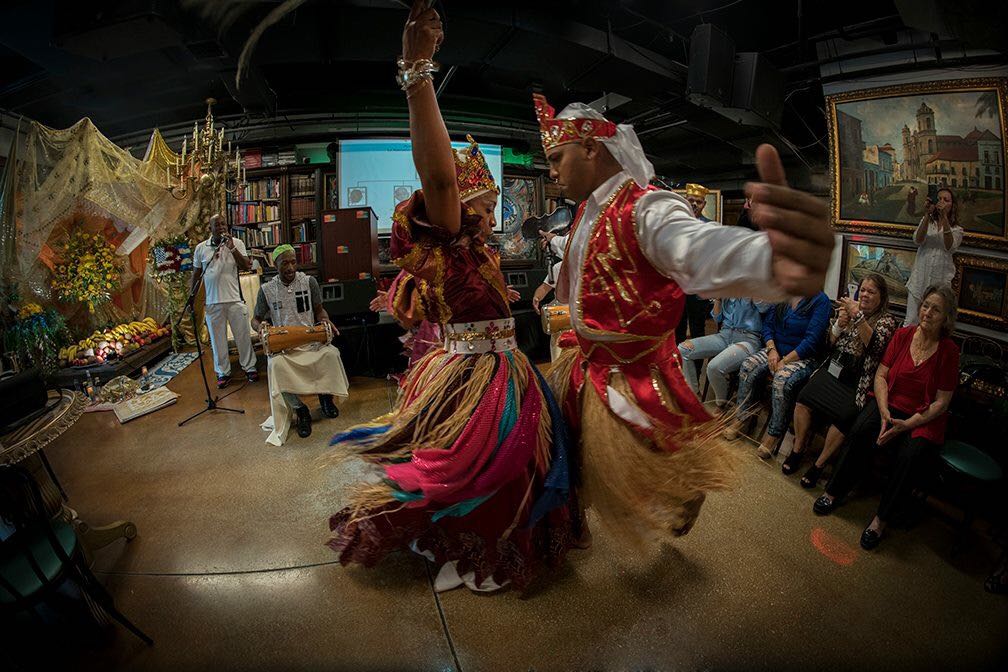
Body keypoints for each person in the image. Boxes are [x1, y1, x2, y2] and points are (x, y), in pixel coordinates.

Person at [326, 0, 575, 594]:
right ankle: (462, 541)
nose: (490, 216)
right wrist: (417, 75)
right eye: (482, 207)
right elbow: (438, 178)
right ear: (456, 210)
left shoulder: (481, 249)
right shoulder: (451, 237)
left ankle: (472, 537)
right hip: (470, 376)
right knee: (482, 465)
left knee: (512, 468)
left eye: (491, 207)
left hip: (505, 369)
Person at [533, 91, 835, 546]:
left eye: (557, 158)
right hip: (586, 363)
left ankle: (681, 485)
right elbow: (577, 259)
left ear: (592, 148)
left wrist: (770, 260)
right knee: (576, 454)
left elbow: (696, 249)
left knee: (644, 457)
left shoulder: (648, 209)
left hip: (631, 375)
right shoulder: (586, 213)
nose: (552, 173)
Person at [813, 286, 960, 550]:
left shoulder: (949, 351)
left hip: (922, 416)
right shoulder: (903, 335)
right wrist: (884, 412)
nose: (927, 312)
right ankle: (833, 491)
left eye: (935, 309)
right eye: (925, 305)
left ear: (946, 316)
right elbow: (881, 375)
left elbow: (942, 402)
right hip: (888, 403)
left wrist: (908, 424)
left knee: (910, 455)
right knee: (860, 430)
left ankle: (881, 519)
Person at [784, 274, 898, 486]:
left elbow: (875, 349)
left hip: (856, 381)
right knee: (803, 397)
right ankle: (798, 449)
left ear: (881, 297)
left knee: (845, 417)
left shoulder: (887, 321)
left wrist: (858, 318)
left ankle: (819, 464)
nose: (864, 294)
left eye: (871, 291)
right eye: (863, 289)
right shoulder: (850, 311)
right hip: (833, 370)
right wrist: (838, 325)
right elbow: (828, 343)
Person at [251, 245, 348, 444]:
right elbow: (256, 318)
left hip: (310, 340)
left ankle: (325, 398)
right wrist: (260, 327)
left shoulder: (309, 282)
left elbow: (319, 311)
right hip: (285, 346)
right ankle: (300, 410)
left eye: (293, 262)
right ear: (274, 264)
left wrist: (325, 320)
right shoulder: (267, 290)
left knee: (331, 354)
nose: (290, 267)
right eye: (284, 263)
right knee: (276, 366)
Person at [723, 292, 831, 458]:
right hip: (776, 350)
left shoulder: (820, 300)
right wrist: (772, 349)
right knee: (748, 366)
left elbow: (812, 340)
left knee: (781, 379)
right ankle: (742, 417)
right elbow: (768, 325)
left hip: (802, 356)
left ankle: (774, 433)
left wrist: (785, 360)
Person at [191, 213, 258, 388]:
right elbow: (196, 275)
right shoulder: (201, 248)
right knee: (217, 340)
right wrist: (191, 296)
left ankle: (249, 368)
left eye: (223, 224)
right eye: (217, 225)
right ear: (210, 228)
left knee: (242, 336)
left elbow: (246, 266)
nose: (221, 227)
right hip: (213, 302)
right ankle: (223, 372)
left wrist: (232, 248)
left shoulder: (237, 243)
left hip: (235, 299)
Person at [678, 297, 770, 409]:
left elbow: (765, 308)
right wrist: (718, 299)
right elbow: (717, 318)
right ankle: (694, 396)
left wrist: (748, 286)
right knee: (683, 349)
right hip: (724, 335)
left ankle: (721, 405)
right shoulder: (728, 290)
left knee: (714, 367)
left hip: (748, 339)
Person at [905, 187, 963, 326]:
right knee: (911, 321)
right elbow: (918, 240)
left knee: (933, 324)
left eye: (946, 200)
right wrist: (927, 214)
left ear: (952, 205)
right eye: (939, 199)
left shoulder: (957, 229)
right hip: (919, 279)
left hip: (940, 282)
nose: (941, 202)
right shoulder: (928, 222)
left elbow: (950, 246)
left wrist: (944, 218)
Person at [675, 182, 715, 378]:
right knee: (677, 329)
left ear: (704, 204)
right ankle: (676, 372)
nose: (694, 204)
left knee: (698, 329)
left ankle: (696, 372)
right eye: (690, 200)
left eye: (698, 202)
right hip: (678, 286)